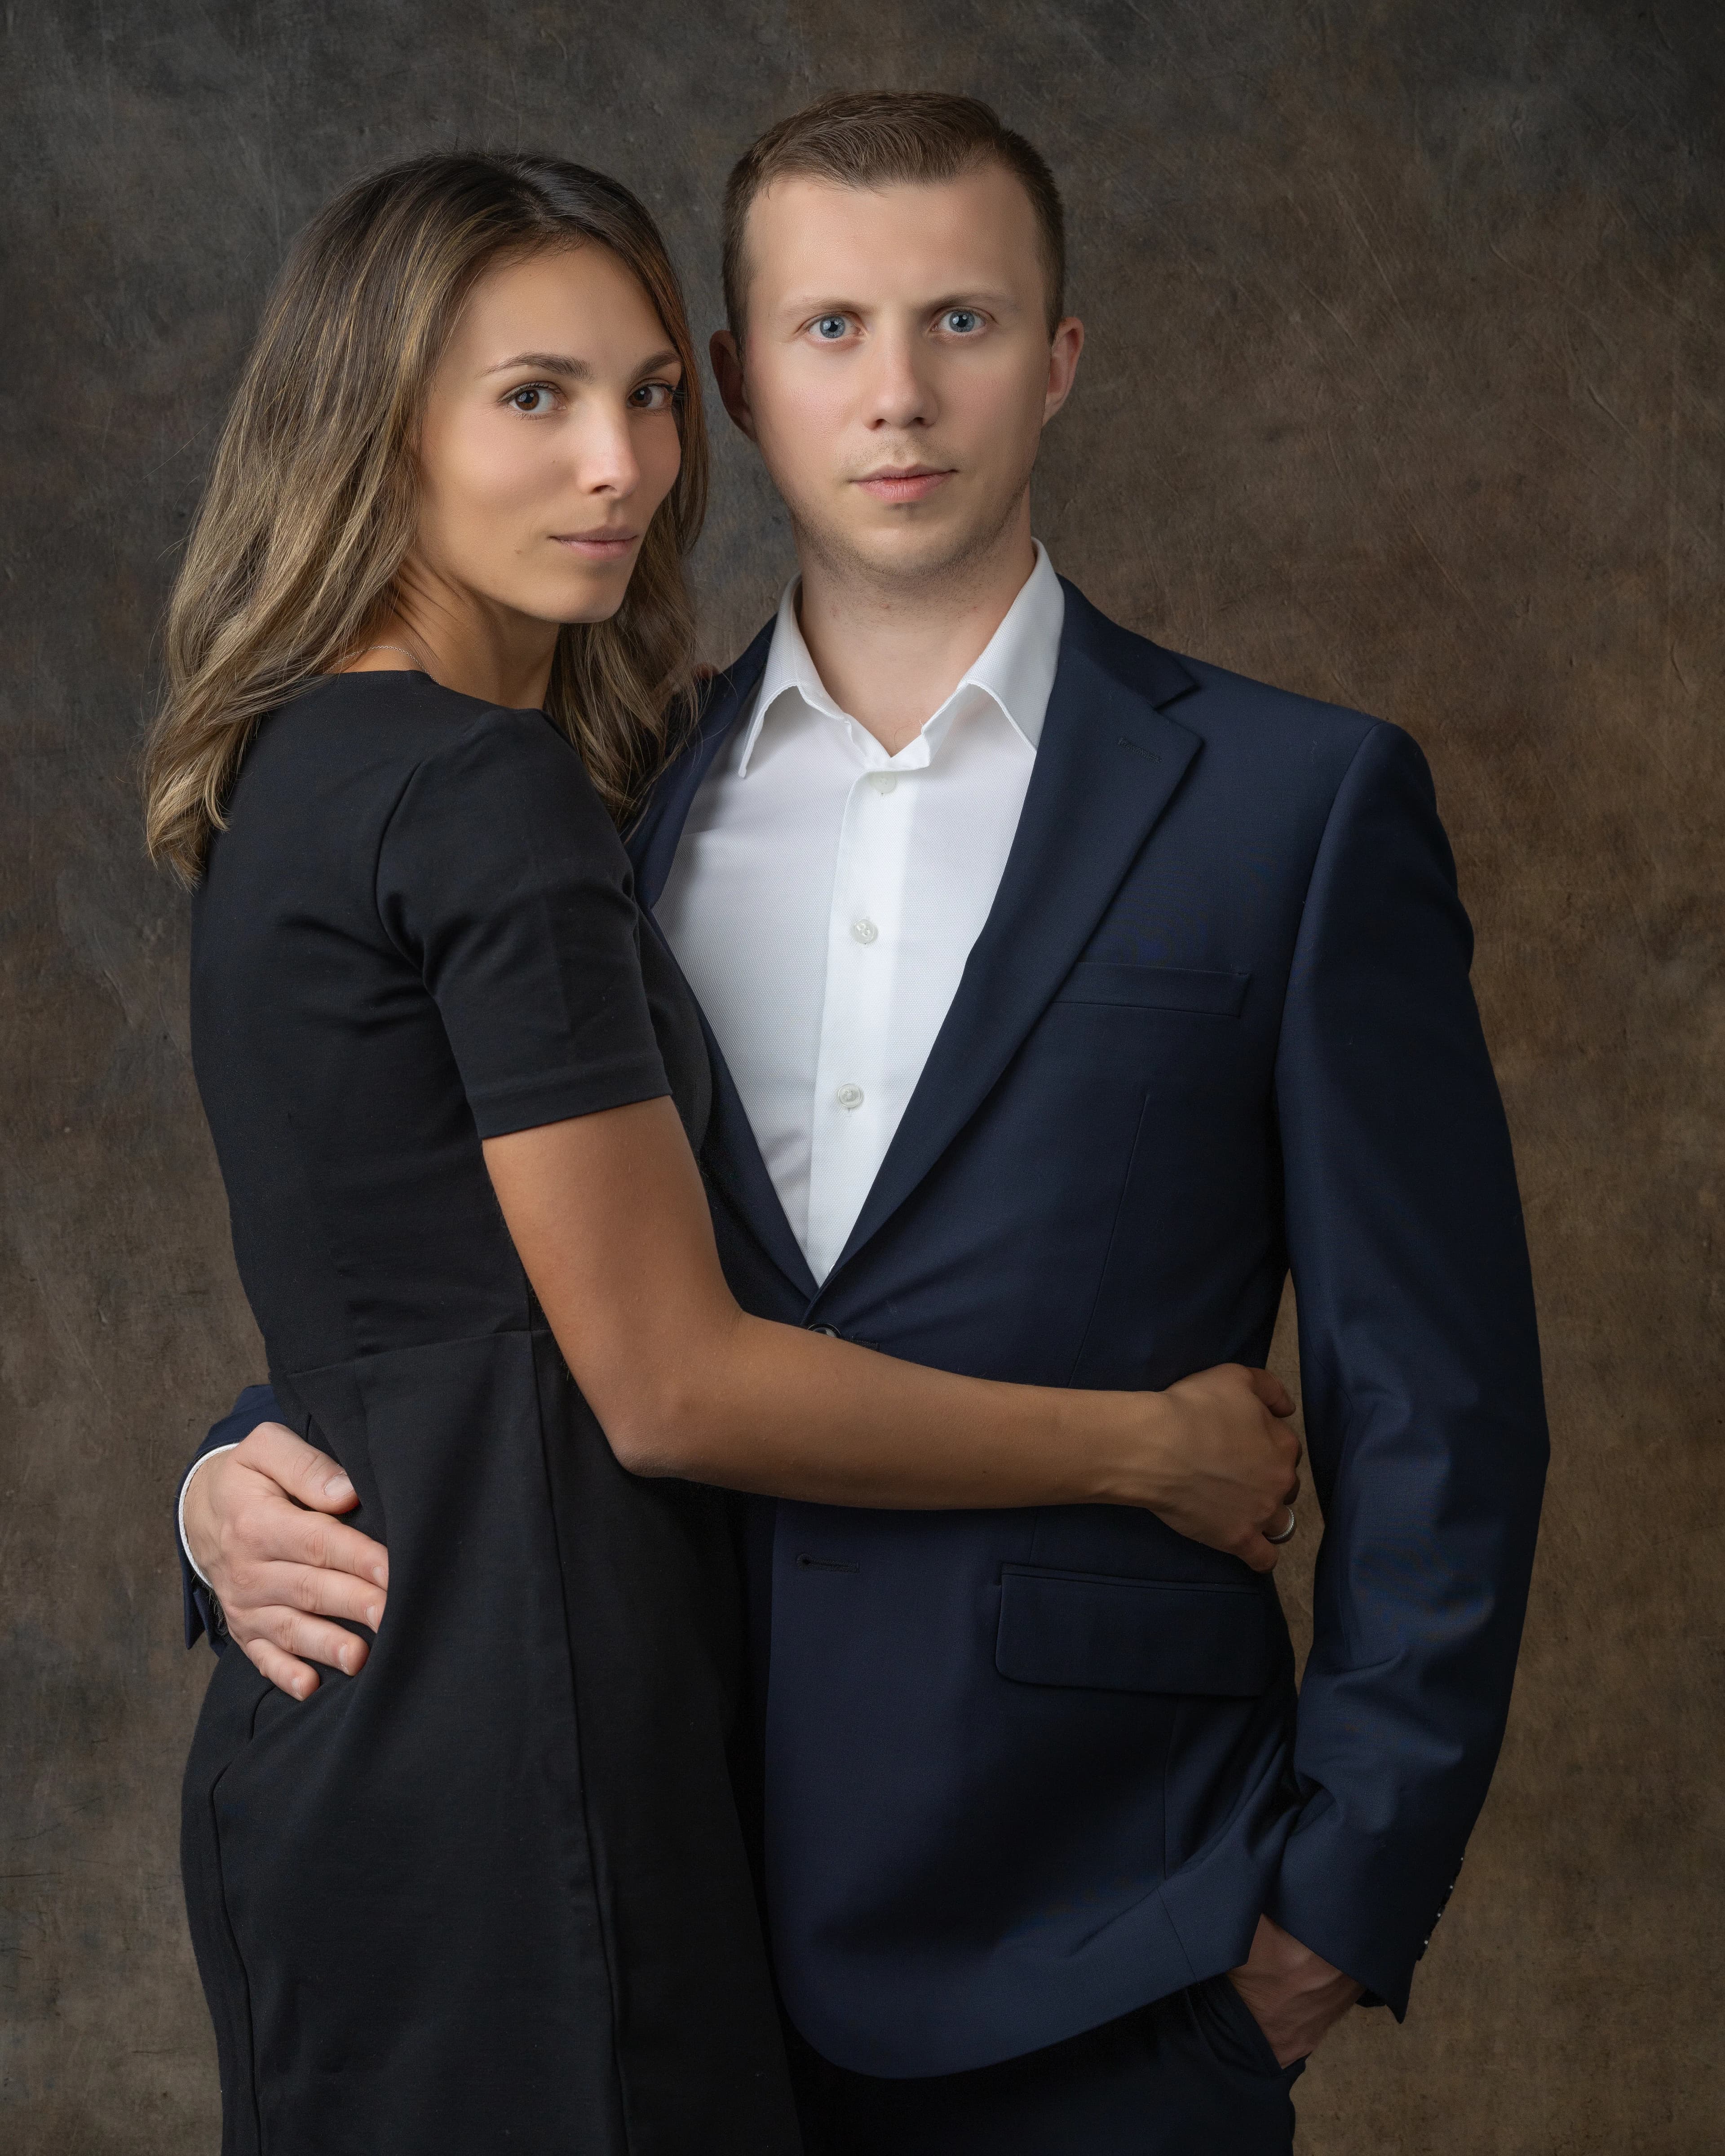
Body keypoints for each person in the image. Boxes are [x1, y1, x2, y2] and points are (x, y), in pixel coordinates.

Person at [175, 96, 1548, 2156]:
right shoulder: (591, 797)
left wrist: (1330, 1916)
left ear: (1060, 356)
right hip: (638, 1906)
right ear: (745, 379)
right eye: (828, 330)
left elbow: (1439, 1407)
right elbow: (480, 1282)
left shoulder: (1298, 805)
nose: (897, 397)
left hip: (1108, 1935)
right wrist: (223, 1486)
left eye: (964, 321)